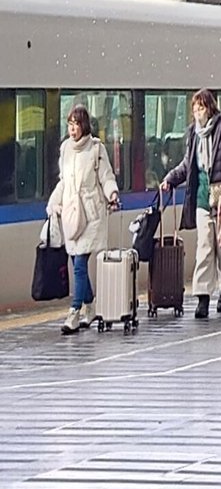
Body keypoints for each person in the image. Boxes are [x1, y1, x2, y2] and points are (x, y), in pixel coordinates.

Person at [159, 89, 221, 320]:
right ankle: (203, 297)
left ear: (210, 107)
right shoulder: (193, 135)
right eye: (195, 108)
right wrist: (170, 179)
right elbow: (187, 165)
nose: (197, 112)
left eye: (201, 107)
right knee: (205, 247)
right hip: (201, 198)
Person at [50, 105, 120, 336]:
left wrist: (113, 194)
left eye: (76, 124)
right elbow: (63, 182)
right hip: (72, 214)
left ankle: (74, 312)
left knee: (79, 264)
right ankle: (90, 307)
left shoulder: (96, 149)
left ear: (84, 126)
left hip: (91, 214)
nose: (72, 129)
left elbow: (106, 176)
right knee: (76, 264)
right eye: (69, 124)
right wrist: (54, 202)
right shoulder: (65, 150)